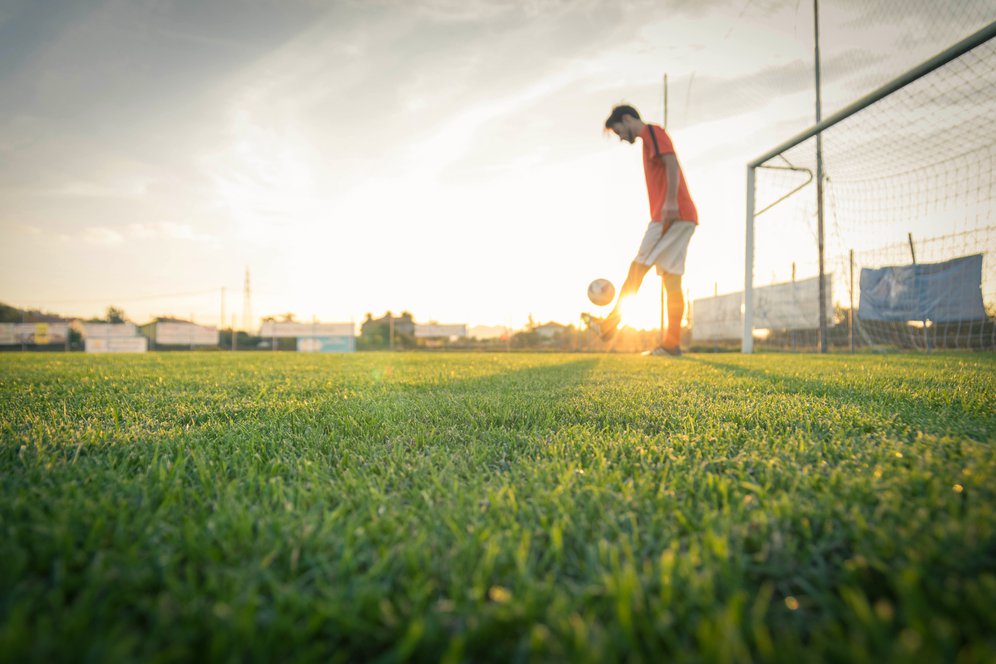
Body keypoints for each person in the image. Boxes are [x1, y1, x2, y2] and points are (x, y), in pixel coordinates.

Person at [587, 104, 698, 357]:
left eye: (618, 132)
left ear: (627, 119)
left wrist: (670, 201)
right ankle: (672, 344)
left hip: (671, 215)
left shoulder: (653, 133)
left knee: (638, 266)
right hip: (683, 216)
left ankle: (608, 325)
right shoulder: (648, 141)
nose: (621, 138)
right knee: (672, 280)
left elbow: (671, 163)